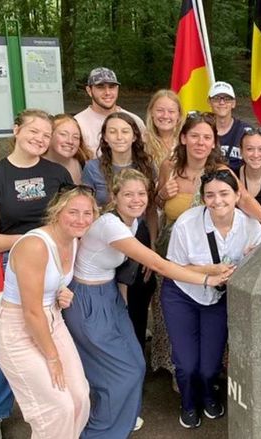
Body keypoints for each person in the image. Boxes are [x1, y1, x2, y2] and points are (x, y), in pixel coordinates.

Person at [63, 169, 231, 438]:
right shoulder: (111, 224)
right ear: (115, 196)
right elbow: (156, 263)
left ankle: (121, 421)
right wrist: (206, 279)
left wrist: (122, 306)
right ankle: (99, 431)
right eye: (128, 194)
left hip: (110, 296)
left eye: (142, 193)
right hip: (87, 300)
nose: (136, 199)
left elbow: (118, 273)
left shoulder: (133, 223)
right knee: (118, 374)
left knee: (136, 366)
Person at [151, 113, 261, 376]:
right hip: (176, 251)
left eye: (207, 137)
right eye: (194, 136)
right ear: (183, 138)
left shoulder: (220, 172)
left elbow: (244, 199)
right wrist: (160, 195)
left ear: (214, 142)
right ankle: (180, 375)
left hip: (211, 251)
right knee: (176, 320)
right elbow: (157, 205)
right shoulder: (169, 166)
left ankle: (208, 375)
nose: (200, 142)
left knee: (211, 313)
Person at [0, 109, 73, 439]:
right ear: (16, 129)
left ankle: (64, 401)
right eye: (34, 131)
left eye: (47, 135)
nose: (40, 139)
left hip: (58, 263)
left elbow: (71, 217)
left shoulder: (57, 173)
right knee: (10, 345)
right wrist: (31, 241)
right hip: (13, 264)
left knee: (57, 333)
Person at [0, 185, 98, 439]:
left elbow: (53, 282)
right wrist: (53, 358)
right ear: (57, 212)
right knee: (56, 409)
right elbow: (31, 311)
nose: (81, 219)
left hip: (51, 319)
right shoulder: (35, 245)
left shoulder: (73, 241)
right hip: (19, 327)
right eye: (73, 212)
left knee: (80, 398)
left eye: (87, 213)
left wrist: (62, 292)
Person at [163, 170, 261, 428]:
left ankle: (209, 394)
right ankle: (187, 402)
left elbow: (255, 271)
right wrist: (211, 270)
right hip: (182, 294)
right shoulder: (187, 223)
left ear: (237, 195)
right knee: (186, 364)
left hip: (218, 300)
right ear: (203, 198)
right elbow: (173, 267)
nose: (217, 200)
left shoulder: (251, 226)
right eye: (210, 195)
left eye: (224, 193)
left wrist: (253, 260)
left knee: (210, 364)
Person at [81, 112, 158, 351]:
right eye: (112, 131)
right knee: (111, 299)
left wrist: (151, 245)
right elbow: (87, 208)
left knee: (138, 299)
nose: (119, 136)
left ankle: (136, 355)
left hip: (139, 235)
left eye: (125, 130)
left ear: (135, 135)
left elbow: (152, 209)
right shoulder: (93, 168)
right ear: (104, 137)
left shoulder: (147, 166)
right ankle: (112, 353)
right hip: (105, 240)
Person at [75, 67, 146, 158]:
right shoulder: (78, 123)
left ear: (117, 89)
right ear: (89, 90)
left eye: (112, 87)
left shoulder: (134, 120)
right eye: (100, 87)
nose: (107, 92)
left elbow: (144, 155)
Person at [208, 81, 251, 172]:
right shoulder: (203, 131)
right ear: (209, 102)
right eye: (216, 98)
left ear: (234, 103)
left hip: (239, 182)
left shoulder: (246, 132)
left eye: (227, 98)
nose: (222, 102)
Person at [44, 114, 89, 184]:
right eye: (63, 134)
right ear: (49, 135)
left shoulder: (84, 165)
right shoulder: (33, 165)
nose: (70, 141)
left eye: (76, 137)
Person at [144, 89, 183, 167]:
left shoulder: (186, 142)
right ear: (151, 112)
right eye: (160, 110)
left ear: (178, 115)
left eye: (171, 111)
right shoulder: (142, 143)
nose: (165, 116)